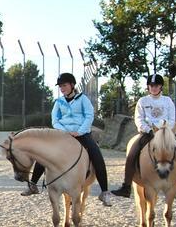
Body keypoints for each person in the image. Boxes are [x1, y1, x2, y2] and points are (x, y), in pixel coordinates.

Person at [21, 73, 115, 206]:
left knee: (96, 155)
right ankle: (33, 184)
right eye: (60, 86)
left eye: (64, 85)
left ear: (72, 85)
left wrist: (79, 132)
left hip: (82, 134)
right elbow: (55, 120)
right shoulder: (58, 102)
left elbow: (89, 116)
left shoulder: (83, 99)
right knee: (44, 153)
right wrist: (65, 132)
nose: (62, 88)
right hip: (63, 135)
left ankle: (104, 192)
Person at [111, 74, 176, 199]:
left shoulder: (167, 101)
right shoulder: (142, 101)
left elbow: (172, 119)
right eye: (151, 85)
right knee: (132, 154)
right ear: (148, 87)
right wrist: (148, 129)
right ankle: (126, 186)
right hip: (147, 133)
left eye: (156, 85)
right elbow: (138, 119)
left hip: (165, 134)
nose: (154, 88)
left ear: (161, 87)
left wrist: (164, 129)